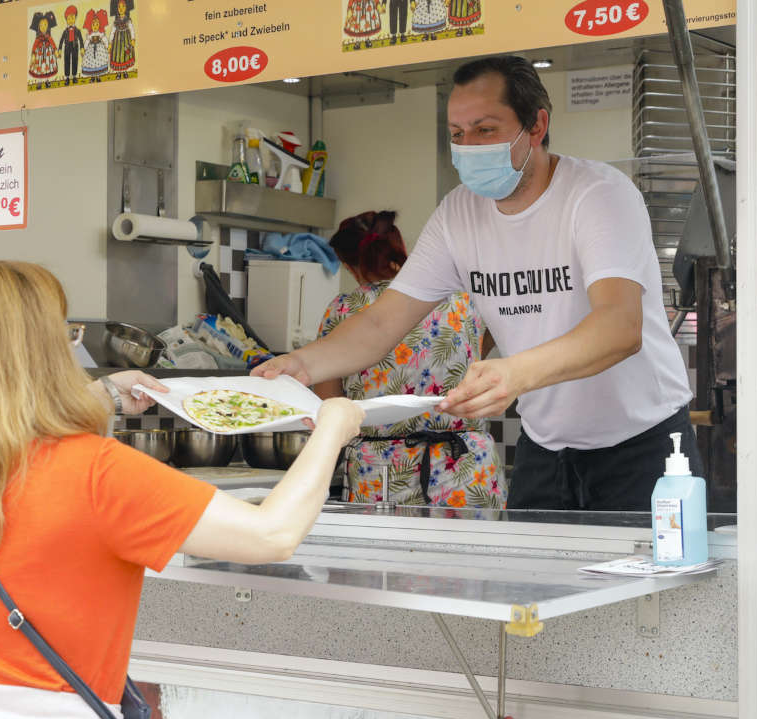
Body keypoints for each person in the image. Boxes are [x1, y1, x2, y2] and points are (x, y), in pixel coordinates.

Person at [0, 261, 363, 719]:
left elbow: (8, 435)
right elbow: (270, 535)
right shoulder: (98, 474)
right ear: (39, 354)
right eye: (63, 333)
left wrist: (104, 393)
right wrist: (332, 426)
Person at [255, 55, 701, 512]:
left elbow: (619, 327)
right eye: (457, 134)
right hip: (545, 450)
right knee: (533, 584)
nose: (468, 146)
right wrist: (302, 364)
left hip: (643, 446)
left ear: (537, 124)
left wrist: (515, 373)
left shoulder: (596, 195)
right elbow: (380, 324)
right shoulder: (457, 214)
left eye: (485, 130)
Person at [314, 210, 504, 508]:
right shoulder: (464, 299)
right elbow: (485, 345)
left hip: (383, 473)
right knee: (473, 555)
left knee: (386, 555)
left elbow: (328, 404)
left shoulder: (343, 310)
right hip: (468, 468)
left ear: (351, 266)